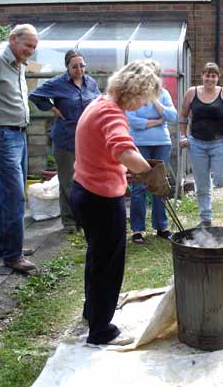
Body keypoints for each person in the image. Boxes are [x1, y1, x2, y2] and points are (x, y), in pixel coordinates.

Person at [70, 60, 170, 346]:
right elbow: (124, 150)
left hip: (85, 190)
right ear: (132, 90)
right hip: (100, 198)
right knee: (109, 265)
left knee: (97, 259)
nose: (142, 105)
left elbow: (108, 149)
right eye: (142, 98)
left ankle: (93, 312)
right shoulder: (112, 113)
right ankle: (101, 331)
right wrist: (149, 174)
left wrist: (128, 167)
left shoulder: (98, 103)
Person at [29, 50, 101, 233]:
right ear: (67, 67)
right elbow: (35, 95)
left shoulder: (90, 83)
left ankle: (84, 218)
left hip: (87, 140)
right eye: (75, 66)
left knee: (86, 181)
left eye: (82, 66)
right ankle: (69, 222)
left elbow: (99, 102)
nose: (79, 70)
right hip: (66, 139)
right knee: (68, 181)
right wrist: (51, 108)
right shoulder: (58, 83)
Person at [0, 24, 38, 273]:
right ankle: (13, 255)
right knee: (14, 195)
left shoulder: (17, 62)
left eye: (34, 47)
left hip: (18, 133)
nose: (30, 51)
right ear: (13, 39)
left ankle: (5, 244)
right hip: (3, 133)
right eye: (27, 45)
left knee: (9, 194)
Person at [179, 62, 223, 227]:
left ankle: (214, 187)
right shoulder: (192, 93)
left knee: (222, 180)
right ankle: (206, 218)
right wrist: (184, 136)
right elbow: (183, 117)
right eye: (207, 75)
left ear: (218, 78)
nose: (210, 79)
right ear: (202, 76)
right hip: (197, 143)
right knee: (202, 183)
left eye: (213, 76)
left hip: (219, 143)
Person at [126, 60, 177, 244]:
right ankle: (138, 229)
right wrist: (157, 121)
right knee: (139, 186)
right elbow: (132, 120)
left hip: (161, 143)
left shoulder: (163, 94)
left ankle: (161, 226)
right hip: (140, 143)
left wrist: (156, 102)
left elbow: (173, 116)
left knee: (159, 184)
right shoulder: (133, 94)